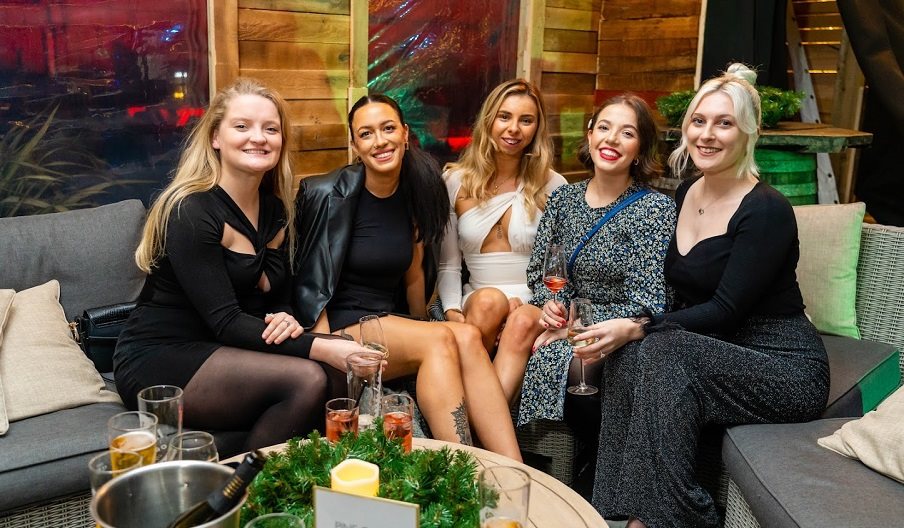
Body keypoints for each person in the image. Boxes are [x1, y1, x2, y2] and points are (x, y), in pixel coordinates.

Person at [574, 65, 829, 528]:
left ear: (749, 132)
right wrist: (630, 327)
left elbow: (726, 310)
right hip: (713, 347)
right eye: (699, 121)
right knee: (632, 356)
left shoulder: (767, 210)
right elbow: (676, 294)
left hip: (780, 363)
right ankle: (609, 509)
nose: (707, 135)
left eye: (724, 123)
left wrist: (639, 325)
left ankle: (671, 518)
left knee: (661, 350)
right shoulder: (689, 190)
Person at [114, 78, 369, 450]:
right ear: (216, 137)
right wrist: (322, 345)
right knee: (308, 377)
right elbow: (226, 322)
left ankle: (319, 487)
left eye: (271, 129)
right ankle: (244, 497)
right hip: (163, 355)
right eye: (242, 126)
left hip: (228, 348)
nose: (259, 137)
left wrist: (284, 318)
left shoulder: (275, 210)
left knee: (340, 378)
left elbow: (276, 299)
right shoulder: (192, 210)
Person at [292, 94, 522, 460]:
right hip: (343, 326)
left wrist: (424, 321)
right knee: (440, 340)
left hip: (389, 323)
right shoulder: (325, 193)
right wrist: (326, 349)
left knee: (464, 335)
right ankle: (462, 469)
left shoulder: (415, 192)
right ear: (355, 145)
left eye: (387, 129)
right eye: (366, 134)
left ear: (405, 133)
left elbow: (414, 277)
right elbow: (308, 283)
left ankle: (514, 469)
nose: (379, 141)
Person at [513, 94, 676, 424]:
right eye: (604, 127)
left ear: (640, 150)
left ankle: (585, 467)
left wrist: (575, 326)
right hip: (564, 325)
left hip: (617, 332)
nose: (612, 139)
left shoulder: (653, 209)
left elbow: (649, 300)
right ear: (590, 134)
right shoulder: (563, 198)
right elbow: (540, 272)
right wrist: (551, 306)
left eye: (627, 133)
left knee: (575, 364)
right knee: (522, 327)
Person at [438, 79, 567, 396]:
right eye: (504, 117)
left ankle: (470, 427)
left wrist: (526, 304)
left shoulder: (554, 185)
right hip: (478, 298)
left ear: (537, 128)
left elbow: (560, 265)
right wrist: (453, 310)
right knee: (488, 301)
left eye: (526, 120)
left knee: (518, 316)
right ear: (489, 121)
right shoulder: (454, 180)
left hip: (534, 300)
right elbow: (448, 265)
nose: (514, 129)